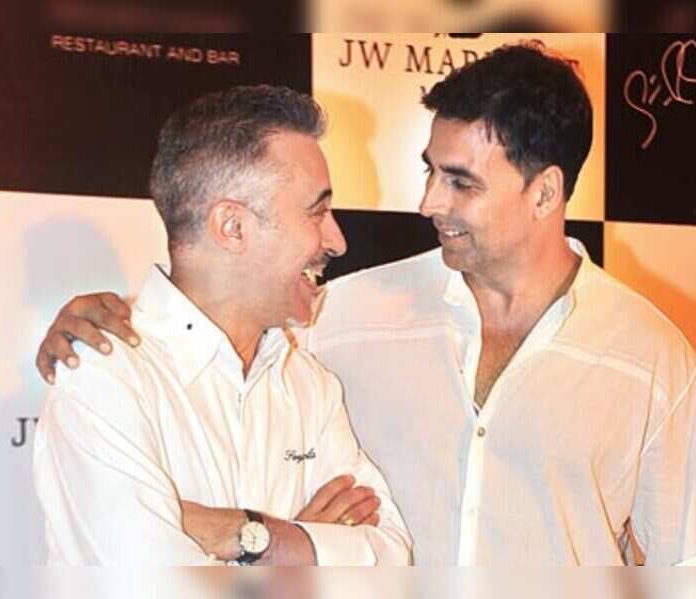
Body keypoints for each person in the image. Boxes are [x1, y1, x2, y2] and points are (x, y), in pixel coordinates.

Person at [36, 42, 696, 565]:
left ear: (545, 192)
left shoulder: (652, 357)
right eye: (430, 171)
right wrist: (97, 329)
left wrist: (248, 537)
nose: (428, 202)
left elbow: (693, 564)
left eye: (460, 182)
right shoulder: (335, 315)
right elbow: (212, 307)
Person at [32, 85, 412, 565]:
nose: (337, 241)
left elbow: (390, 558)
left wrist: (248, 533)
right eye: (316, 211)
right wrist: (298, 551)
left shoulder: (309, 384)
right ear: (232, 227)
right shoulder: (105, 375)